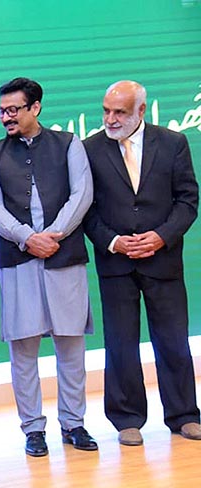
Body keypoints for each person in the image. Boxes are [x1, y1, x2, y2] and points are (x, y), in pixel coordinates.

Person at [0, 77, 97, 458]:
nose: (6, 118)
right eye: (2, 111)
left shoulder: (69, 144)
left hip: (64, 255)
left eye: (14, 110)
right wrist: (28, 237)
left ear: (35, 108)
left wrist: (54, 234)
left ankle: (73, 423)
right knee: (23, 349)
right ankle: (32, 429)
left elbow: (82, 194)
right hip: (17, 258)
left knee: (71, 344)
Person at [83, 80, 201, 446]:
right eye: (106, 110)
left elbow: (187, 200)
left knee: (173, 341)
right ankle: (126, 418)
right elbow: (84, 208)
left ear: (141, 111)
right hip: (115, 263)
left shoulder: (173, 143)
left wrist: (162, 236)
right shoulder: (88, 149)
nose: (110, 118)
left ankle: (183, 415)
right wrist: (114, 241)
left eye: (119, 112)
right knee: (120, 343)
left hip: (163, 261)